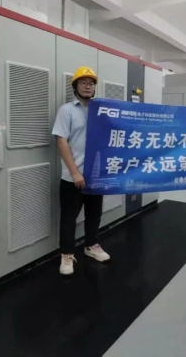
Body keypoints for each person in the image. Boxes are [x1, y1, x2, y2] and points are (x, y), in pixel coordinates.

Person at [52, 66, 111, 275]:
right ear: (75, 86)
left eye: (91, 83)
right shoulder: (67, 110)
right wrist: (75, 172)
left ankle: (91, 245)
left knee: (94, 214)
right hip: (72, 177)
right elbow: (61, 142)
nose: (88, 86)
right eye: (83, 82)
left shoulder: (101, 111)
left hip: (95, 175)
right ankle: (67, 254)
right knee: (69, 218)